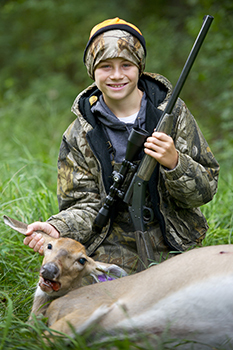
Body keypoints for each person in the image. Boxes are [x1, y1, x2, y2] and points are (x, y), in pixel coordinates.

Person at [24, 17, 219, 274]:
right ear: (92, 71)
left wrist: (174, 163)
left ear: (140, 68)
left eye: (126, 65)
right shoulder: (79, 134)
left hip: (174, 243)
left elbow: (206, 190)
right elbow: (83, 205)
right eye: (106, 66)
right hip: (109, 248)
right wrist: (58, 227)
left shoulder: (173, 113)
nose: (117, 75)